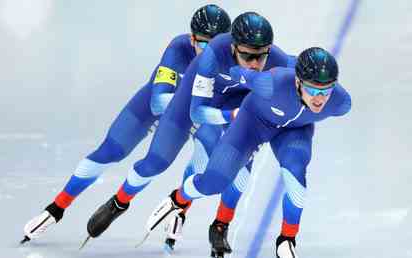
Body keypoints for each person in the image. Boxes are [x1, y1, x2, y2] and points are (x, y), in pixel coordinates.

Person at [86, 11, 295, 256]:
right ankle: (119, 202)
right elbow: (197, 113)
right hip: (196, 102)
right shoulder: (213, 55)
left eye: (261, 56)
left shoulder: (276, 60)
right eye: (247, 55)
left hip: (234, 103)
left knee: (240, 168)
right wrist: (231, 117)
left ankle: (219, 225)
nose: (255, 64)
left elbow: (299, 77)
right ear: (232, 47)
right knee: (156, 162)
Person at [21, 4, 231, 245]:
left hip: (191, 113)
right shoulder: (179, 48)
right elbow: (157, 102)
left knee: (197, 152)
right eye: (203, 43)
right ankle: (56, 207)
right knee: (110, 150)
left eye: (215, 45)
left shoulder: (234, 59)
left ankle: (174, 208)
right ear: (191, 38)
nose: (208, 52)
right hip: (163, 104)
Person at [147, 47, 352, 258]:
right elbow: (238, 73)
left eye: (325, 91)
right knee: (215, 182)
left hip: (294, 131)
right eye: (313, 90)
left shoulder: (341, 102)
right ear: (298, 82)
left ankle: (287, 240)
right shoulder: (270, 83)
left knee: (296, 176)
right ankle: (178, 199)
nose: (319, 99)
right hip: (253, 123)